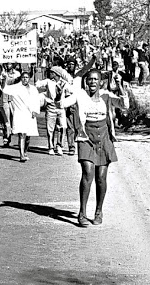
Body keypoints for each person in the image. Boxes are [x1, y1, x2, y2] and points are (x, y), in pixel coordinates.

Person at [58, 69, 129, 227]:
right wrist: (60, 91)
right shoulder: (80, 95)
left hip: (103, 137)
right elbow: (62, 104)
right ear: (85, 82)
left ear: (100, 82)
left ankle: (98, 211)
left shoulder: (106, 96)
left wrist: (120, 85)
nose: (92, 82)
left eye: (95, 79)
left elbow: (124, 105)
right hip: (86, 137)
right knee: (88, 173)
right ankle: (82, 213)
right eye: (89, 79)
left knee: (101, 177)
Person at [2, 72, 41, 162]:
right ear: (21, 78)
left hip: (30, 114)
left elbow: (36, 100)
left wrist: (35, 111)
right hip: (20, 114)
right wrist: (4, 79)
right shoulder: (16, 88)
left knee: (27, 136)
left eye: (27, 77)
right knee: (22, 134)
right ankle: (22, 155)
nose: (25, 79)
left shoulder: (33, 89)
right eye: (23, 77)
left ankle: (25, 151)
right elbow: (5, 89)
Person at [36, 66, 72, 156]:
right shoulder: (48, 82)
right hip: (51, 107)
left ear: (56, 74)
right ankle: (51, 147)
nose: (50, 74)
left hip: (61, 107)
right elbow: (38, 84)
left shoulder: (64, 83)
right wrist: (37, 80)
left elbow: (71, 91)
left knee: (62, 127)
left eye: (52, 72)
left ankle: (59, 146)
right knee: (50, 128)